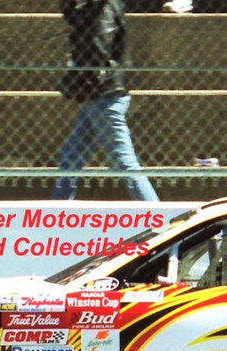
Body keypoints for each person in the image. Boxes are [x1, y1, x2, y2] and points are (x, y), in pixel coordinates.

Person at [54, 0, 159, 201]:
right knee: (71, 159)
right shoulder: (97, 7)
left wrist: (77, 71)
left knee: (124, 163)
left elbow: (97, 46)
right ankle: (56, 214)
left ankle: (158, 217)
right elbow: (75, 18)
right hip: (97, 94)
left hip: (104, 94)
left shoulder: (103, 7)